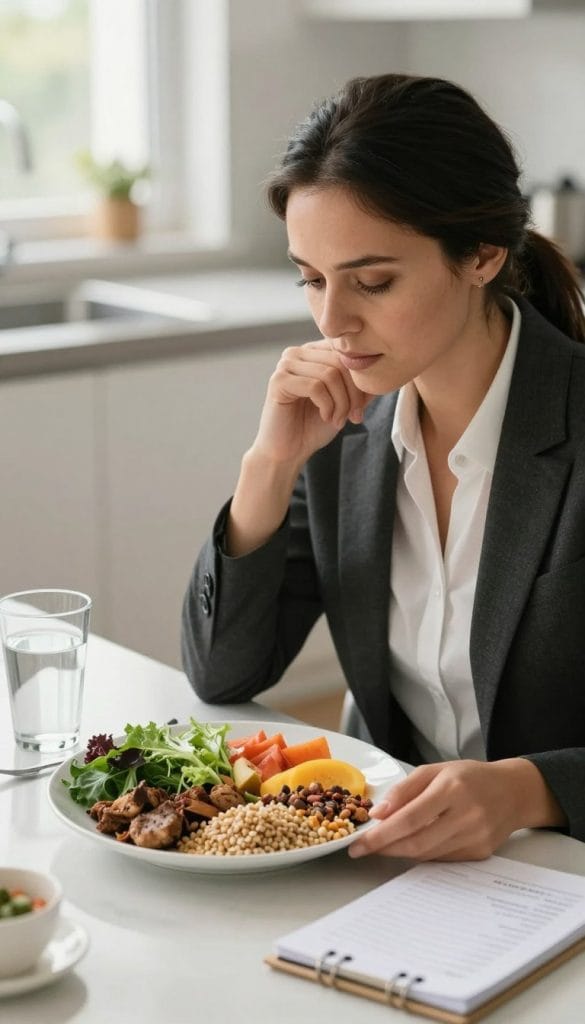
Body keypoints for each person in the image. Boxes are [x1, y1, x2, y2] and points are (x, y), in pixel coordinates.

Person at [181, 73, 585, 862]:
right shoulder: (341, 428)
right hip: (388, 860)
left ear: (480, 255)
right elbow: (223, 673)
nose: (332, 321)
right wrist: (268, 465)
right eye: (310, 278)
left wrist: (528, 788)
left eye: (372, 281)